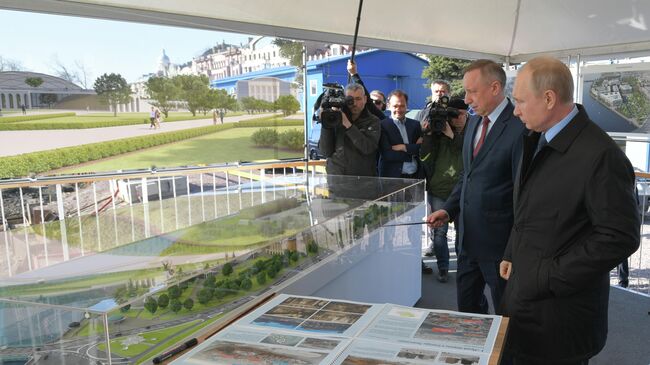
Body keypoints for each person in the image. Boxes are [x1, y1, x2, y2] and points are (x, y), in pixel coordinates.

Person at [500, 56, 640, 365]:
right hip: (526, 306)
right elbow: (530, 208)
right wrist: (512, 251)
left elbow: (619, 237)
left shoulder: (601, 156)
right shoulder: (536, 138)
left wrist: (546, 276)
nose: (516, 110)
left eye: (521, 100)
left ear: (549, 98)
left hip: (560, 321)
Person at [426, 60, 525, 314]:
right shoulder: (473, 123)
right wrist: (448, 210)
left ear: (494, 88)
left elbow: (522, 195)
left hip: (499, 247)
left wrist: (514, 250)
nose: (466, 99)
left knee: (506, 316)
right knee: (468, 313)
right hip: (466, 240)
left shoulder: (520, 128)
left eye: (472, 91)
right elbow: (466, 176)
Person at [419, 97, 468, 282]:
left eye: (460, 115)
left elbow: (470, 153)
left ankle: (463, 267)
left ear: (466, 114)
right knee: (439, 232)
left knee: (463, 233)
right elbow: (424, 157)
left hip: (462, 190)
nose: (456, 119)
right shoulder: (437, 131)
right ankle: (443, 268)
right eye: (453, 115)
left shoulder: (473, 131)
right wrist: (429, 135)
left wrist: (452, 136)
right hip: (439, 189)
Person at [318, 83, 381, 177]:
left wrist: (348, 124)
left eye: (358, 99)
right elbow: (325, 152)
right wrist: (326, 123)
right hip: (337, 181)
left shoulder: (373, 121)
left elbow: (367, 148)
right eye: (350, 99)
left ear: (365, 99)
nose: (354, 103)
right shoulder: (335, 118)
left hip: (363, 182)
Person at [378, 90, 422, 178]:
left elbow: (421, 149)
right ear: (388, 106)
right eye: (395, 106)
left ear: (407, 106)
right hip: (392, 177)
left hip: (415, 176)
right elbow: (387, 154)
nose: (399, 109)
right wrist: (412, 151)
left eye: (402, 106)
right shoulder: (382, 125)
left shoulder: (415, 125)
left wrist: (403, 147)